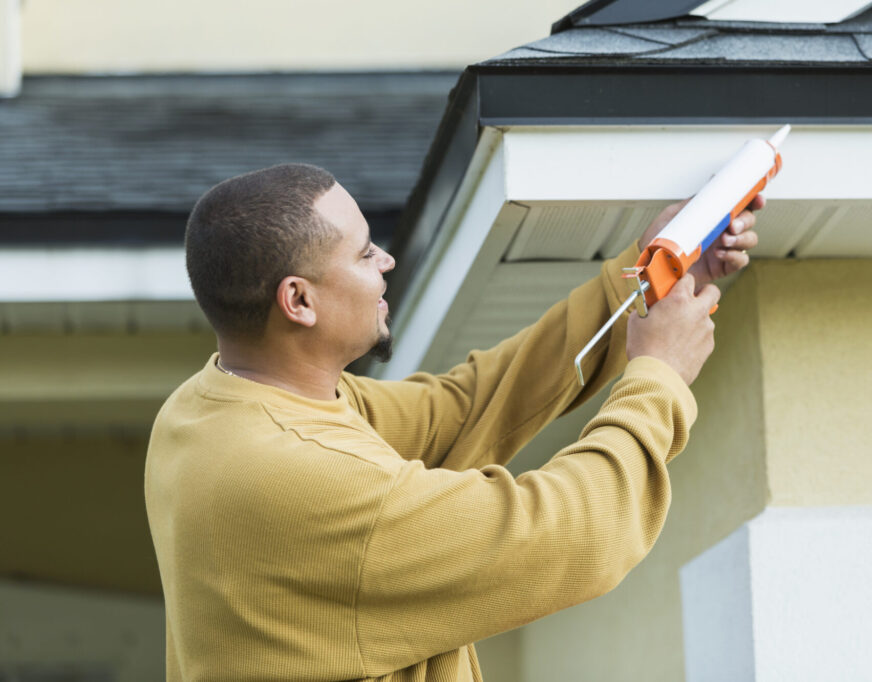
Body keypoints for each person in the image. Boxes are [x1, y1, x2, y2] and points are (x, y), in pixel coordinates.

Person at [145, 163, 761, 681]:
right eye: (363, 254)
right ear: (298, 301)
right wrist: (659, 375)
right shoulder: (314, 483)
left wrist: (643, 278)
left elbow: (464, 409)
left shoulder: (210, 408)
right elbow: (583, 533)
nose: (385, 260)